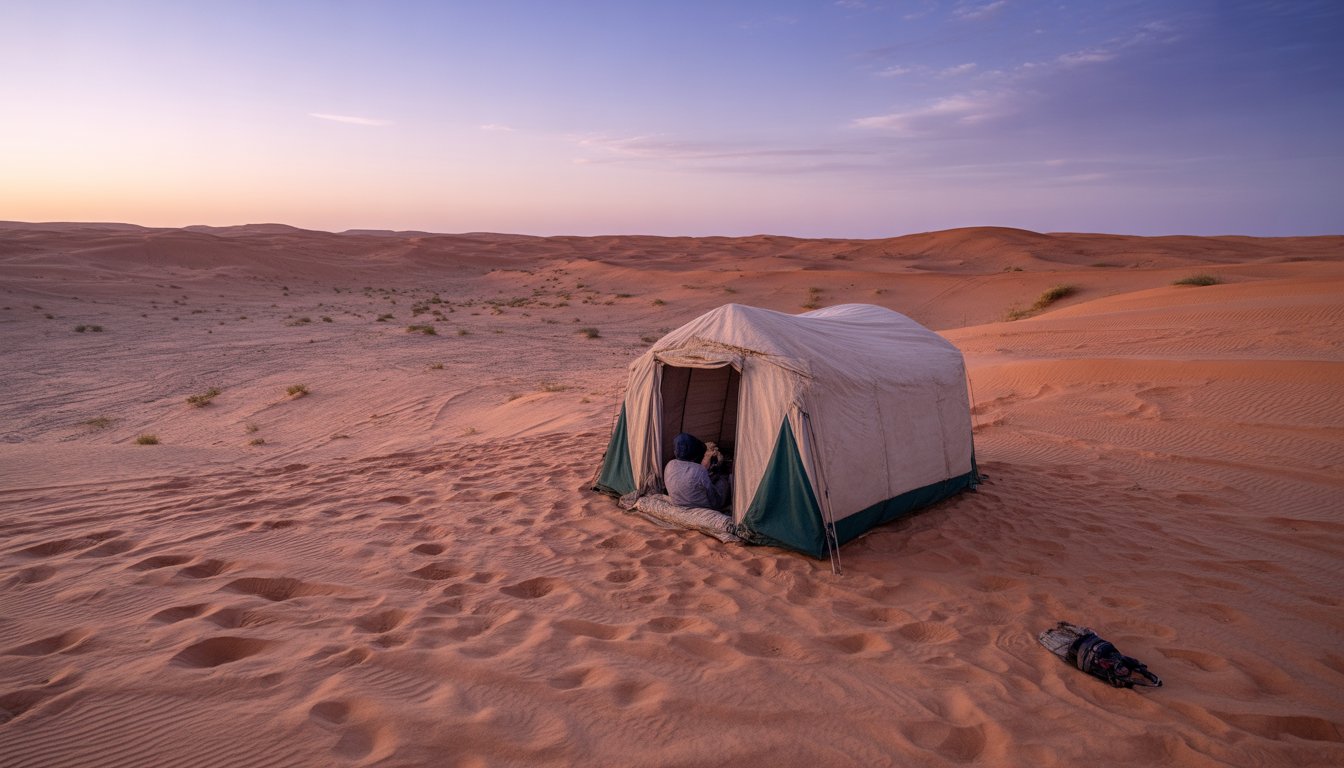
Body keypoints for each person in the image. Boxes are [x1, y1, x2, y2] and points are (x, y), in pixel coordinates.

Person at [664, 432, 732, 512]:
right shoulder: (699, 470)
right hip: (702, 506)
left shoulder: (669, 465)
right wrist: (719, 470)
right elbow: (713, 499)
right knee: (723, 481)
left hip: (678, 502)